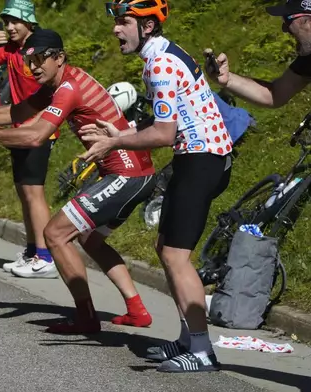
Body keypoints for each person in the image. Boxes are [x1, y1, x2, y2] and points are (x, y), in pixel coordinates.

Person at [0, 28, 156, 331]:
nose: (33, 68)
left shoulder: (68, 87)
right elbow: (18, 112)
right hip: (133, 172)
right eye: (28, 61)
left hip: (127, 172)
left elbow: (35, 135)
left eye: (40, 59)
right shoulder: (59, 83)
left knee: (56, 234)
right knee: (90, 239)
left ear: (60, 58)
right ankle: (137, 310)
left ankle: (86, 317)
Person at [79, 0, 233, 372]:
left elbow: (163, 134)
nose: (116, 29)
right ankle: (187, 339)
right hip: (196, 156)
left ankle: (202, 352)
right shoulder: (160, 55)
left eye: (124, 21)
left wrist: (114, 142)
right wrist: (122, 131)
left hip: (203, 159)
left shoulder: (160, 64)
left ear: (147, 27)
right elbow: (163, 120)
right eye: (116, 21)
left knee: (177, 257)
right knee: (165, 248)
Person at [0, 0, 60, 278]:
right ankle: (33, 250)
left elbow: (52, 89)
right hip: (18, 126)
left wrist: (42, 124)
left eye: (16, 21)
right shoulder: (9, 49)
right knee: (24, 192)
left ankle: (45, 256)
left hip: (41, 128)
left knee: (34, 192)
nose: (10, 27)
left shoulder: (40, 46)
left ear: (29, 22)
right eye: (6, 21)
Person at [204, 0, 311, 107]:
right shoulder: (307, 61)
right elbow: (274, 95)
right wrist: (228, 79)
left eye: (288, 19)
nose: (284, 28)